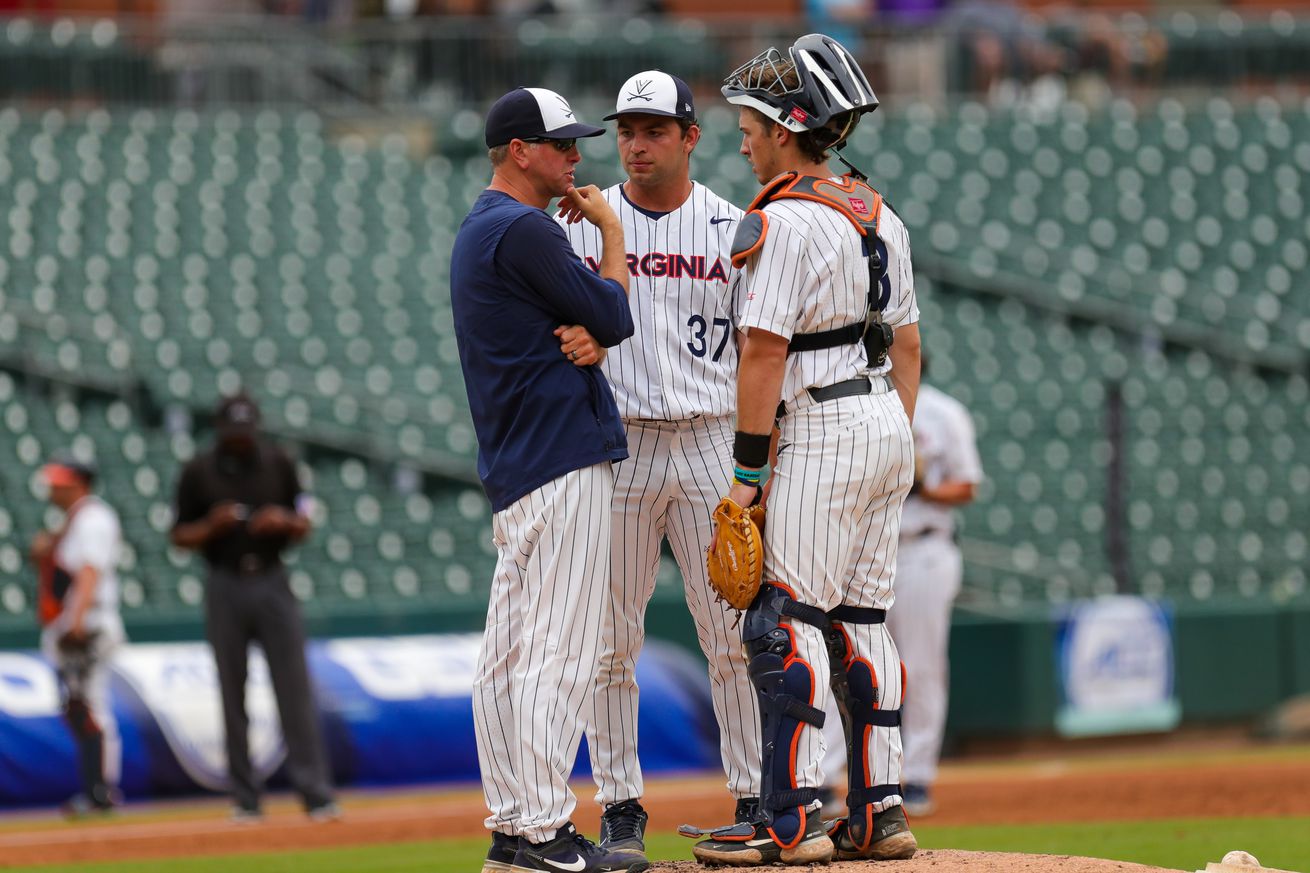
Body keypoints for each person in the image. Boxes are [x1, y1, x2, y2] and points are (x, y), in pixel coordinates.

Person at [688, 33, 921, 866]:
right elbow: (911, 346)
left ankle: (788, 816)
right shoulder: (877, 210)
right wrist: (888, 437)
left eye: (749, 123)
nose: (741, 137)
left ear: (786, 127)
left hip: (822, 421)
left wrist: (749, 473)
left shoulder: (781, 219)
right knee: (864, 624)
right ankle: (880, 810)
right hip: (885, 418)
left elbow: (762, 351)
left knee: (783, 620)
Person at [557, 70, 760, 866]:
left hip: (711, 437)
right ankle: (620, 806)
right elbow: (553, 324)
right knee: (611, 640)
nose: (635, 144)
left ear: (689, 137)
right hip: (623, 441)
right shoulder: (584, 223)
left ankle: (754, 793)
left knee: (735, 632)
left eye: (653, 130)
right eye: (626, 131)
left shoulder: (735, 227)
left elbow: (758, 350)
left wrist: (757, 464)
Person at [448, 86, 644, 873]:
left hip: (520, 463)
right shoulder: (525, 227)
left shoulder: (482, 226)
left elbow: (593, 322)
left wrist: (588, 319)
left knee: (505, 658)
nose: (576, 154)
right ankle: (543, 833)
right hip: (559, 456)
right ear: (519, 150)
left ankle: (512, 828)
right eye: (561, 143)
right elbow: (616, 315)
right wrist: (611, 233)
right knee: (557, 654)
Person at [170, 393, 338, 822]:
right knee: (232, 690)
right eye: (234, 432)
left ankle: (315, 793)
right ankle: (245, 798)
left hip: (271, 576)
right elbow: (177, 534)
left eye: (247, 432)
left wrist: (283, 521)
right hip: (224, 579)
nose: (242, 440)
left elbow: (305, 519)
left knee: (294, 689)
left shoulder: (279, 462)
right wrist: (212, 525)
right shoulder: (198, 471)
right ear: (221, 431)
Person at [886, 355, 982, 816]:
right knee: (850, 666)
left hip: (924, 547)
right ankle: (831, 779)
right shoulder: (861, 406)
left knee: (920, 665)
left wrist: (923, 488)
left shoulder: (943, 412)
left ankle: (918, 775)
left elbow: (967, 485)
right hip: (866, 549)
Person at [30, 454, 126, 817]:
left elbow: (90, 572)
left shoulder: (93, 518)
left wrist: (76, 621)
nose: (53, 489)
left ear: (78, 483)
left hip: (89, 622)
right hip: (76, 621)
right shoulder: (73, 521)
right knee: (77, 706)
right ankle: (95, 789)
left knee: (90, 705)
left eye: (60, 482)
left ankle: (101, 791)